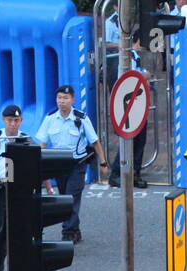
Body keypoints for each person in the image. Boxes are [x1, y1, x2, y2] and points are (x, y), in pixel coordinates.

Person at [34, 84, 108, 243]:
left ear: (72, 100)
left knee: (71, 197)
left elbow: (95, 142)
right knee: (64, 198)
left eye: (65, 98)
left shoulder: (81, 118)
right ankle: (75, 229)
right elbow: (42, 143)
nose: (62, 101)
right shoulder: (50, 118)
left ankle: (68, 231)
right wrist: (41, 165)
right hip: (57, 165)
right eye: (59, 98)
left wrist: (103, 163)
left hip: (77, 164)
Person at [104, 14, 149, 190]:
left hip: (138, 103)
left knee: (140, 140)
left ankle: (136, 172)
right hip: (128, 106)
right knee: (130, 139)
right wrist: (142, 76)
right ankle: (116, 173)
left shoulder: (135, 57)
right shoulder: (127, 57)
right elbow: (125, 79)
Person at [0, 104, 30, 271]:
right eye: (9, 120)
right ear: (3, 120)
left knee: (18, 228)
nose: (13, 124)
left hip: (18, 187)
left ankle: (18, 266)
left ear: (21, 121)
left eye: (16, 120)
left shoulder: (26, 140)